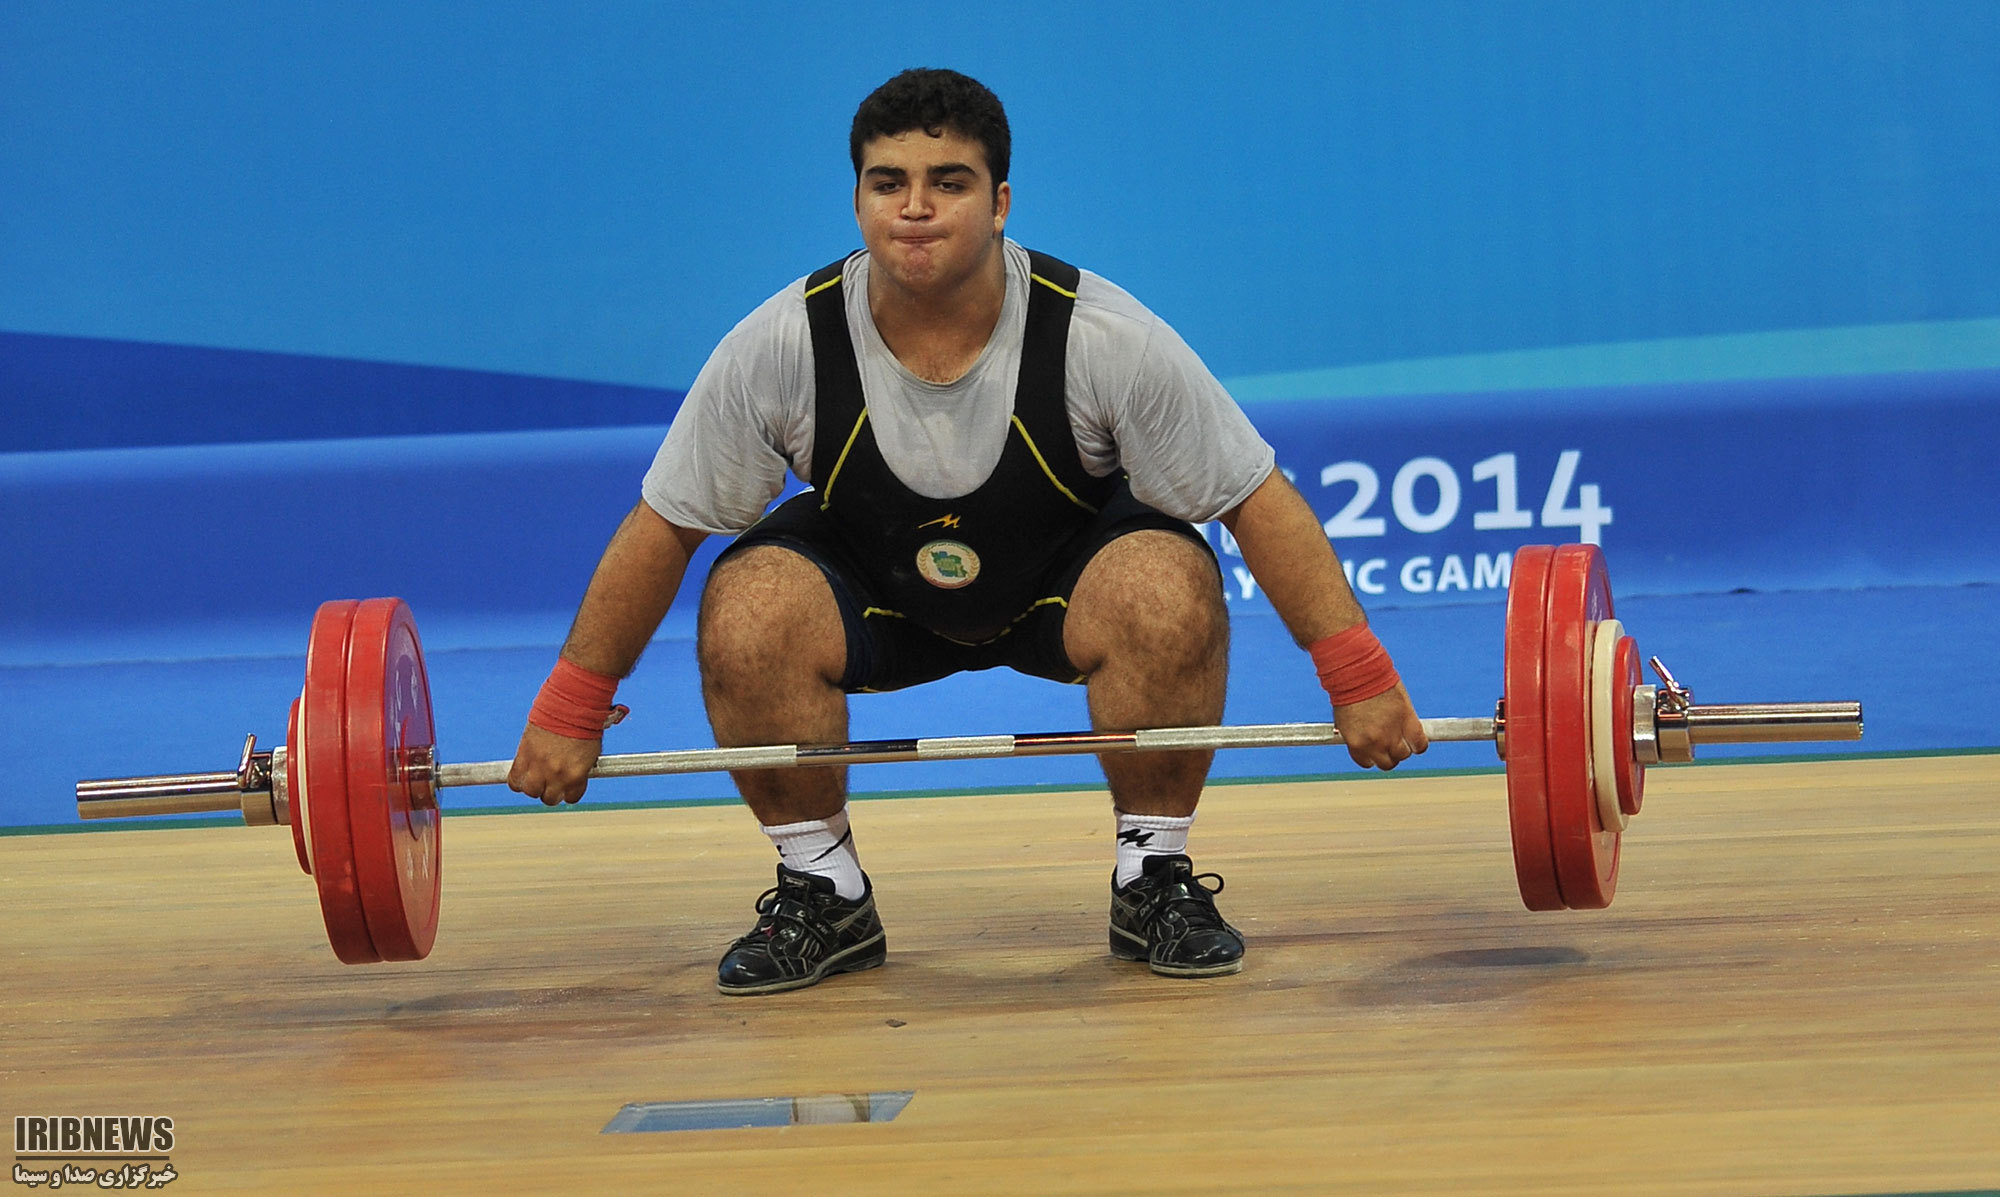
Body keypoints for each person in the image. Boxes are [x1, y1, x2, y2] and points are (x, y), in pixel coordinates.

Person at [507, 68, 1427, 996]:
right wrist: (570, 707)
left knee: (1166, 579)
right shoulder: (782, 344)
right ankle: (823, 890)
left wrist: (1359, 677)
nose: (914, 208)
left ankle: (1153, 875)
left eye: (947, 182)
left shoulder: (1102, 335)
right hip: (875, 593)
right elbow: (664, 527)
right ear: (857, 198)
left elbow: (1252, 498)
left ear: (1000, 204)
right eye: (887, 183)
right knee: (748, 603)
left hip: (1063, 587)